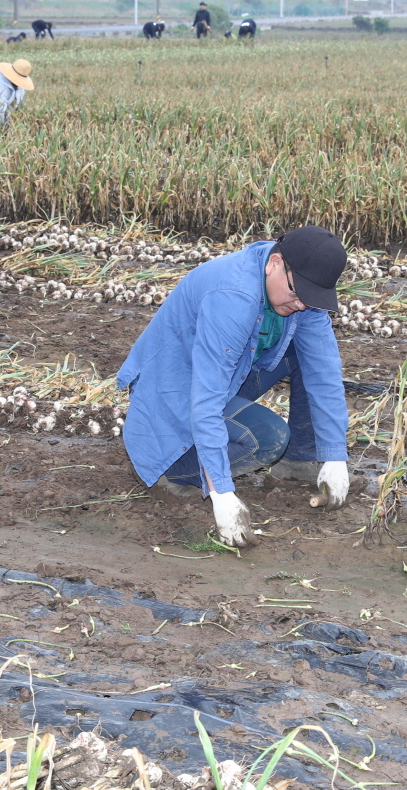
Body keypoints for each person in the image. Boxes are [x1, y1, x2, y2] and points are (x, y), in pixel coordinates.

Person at [116, 226, 352, 549]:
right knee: (268, 439)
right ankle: (177, 472)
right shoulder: (234, 296)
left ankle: (298, 461)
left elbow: (323, 370)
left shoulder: (295, 291)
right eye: (297, 294)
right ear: (275, 264)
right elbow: (205, 402)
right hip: (171, 405)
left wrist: (334, 455)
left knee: (305, 351)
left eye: (310, 298)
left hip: (223, 381)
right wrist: (223, 494)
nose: (301, 305)